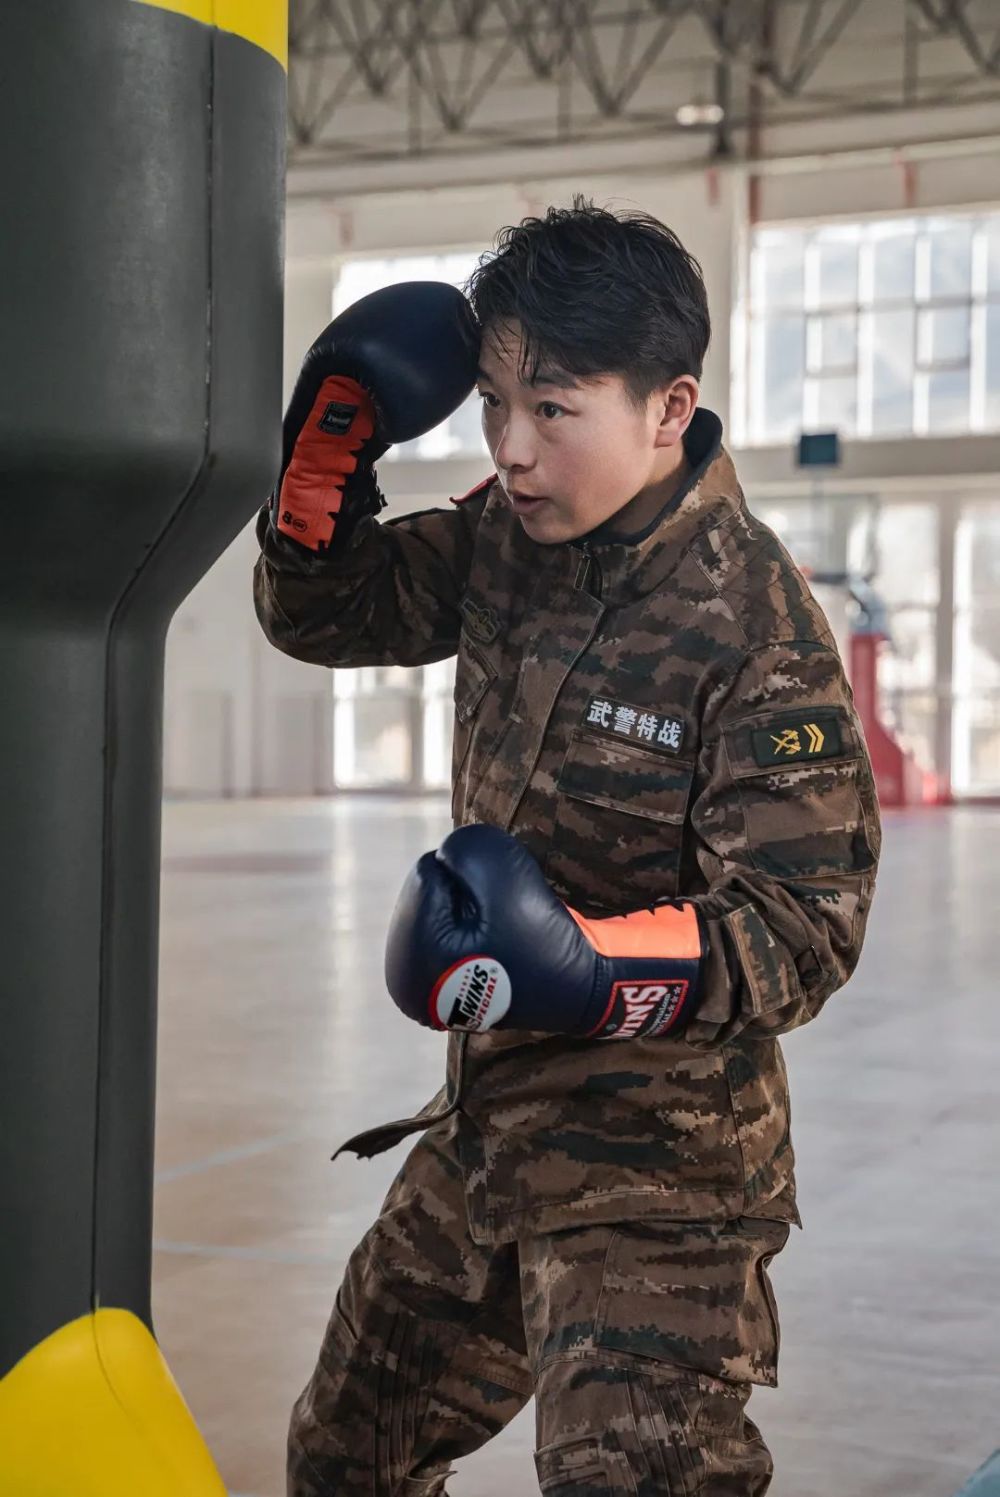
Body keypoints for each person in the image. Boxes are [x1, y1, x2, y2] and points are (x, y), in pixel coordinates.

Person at [253, 200, 881, 1496]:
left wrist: (584, 964)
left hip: (661, 1176)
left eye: (552, 409)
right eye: (495, 405)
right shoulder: (505, 534)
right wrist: (323, 456)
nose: (513, 449)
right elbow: (327, 613)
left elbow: (805, 923)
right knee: (346, 1456)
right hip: (488, 1133)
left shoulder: (753, 621)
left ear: (667, 408)